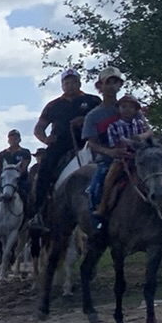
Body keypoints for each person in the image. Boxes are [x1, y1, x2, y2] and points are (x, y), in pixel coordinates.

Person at [31, 69, 99, 219]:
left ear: (79, 83)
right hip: (60, 143)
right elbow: (39, 128)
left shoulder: (93, 101)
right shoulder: (53, 105)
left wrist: (85, 120)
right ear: (62, 85)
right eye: (66, 83)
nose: (70, 86)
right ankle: (38, 211)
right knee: (44, 169)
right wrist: (45, 139)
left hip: (87, 141)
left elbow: (102, 121)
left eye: (73, 82)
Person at [88, 94, 154, 228]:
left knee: (158, 175)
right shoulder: (113, 126)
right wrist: (124, 149)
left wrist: (141, 138)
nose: (127, 110)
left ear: (136, 110)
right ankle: (103, 205)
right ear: (119, 109)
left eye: (131, 107)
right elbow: (115, 145)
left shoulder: (141, 125)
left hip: (140, 160)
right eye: (124, 107)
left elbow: (149, 136)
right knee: (109, 179)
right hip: (122, 160)